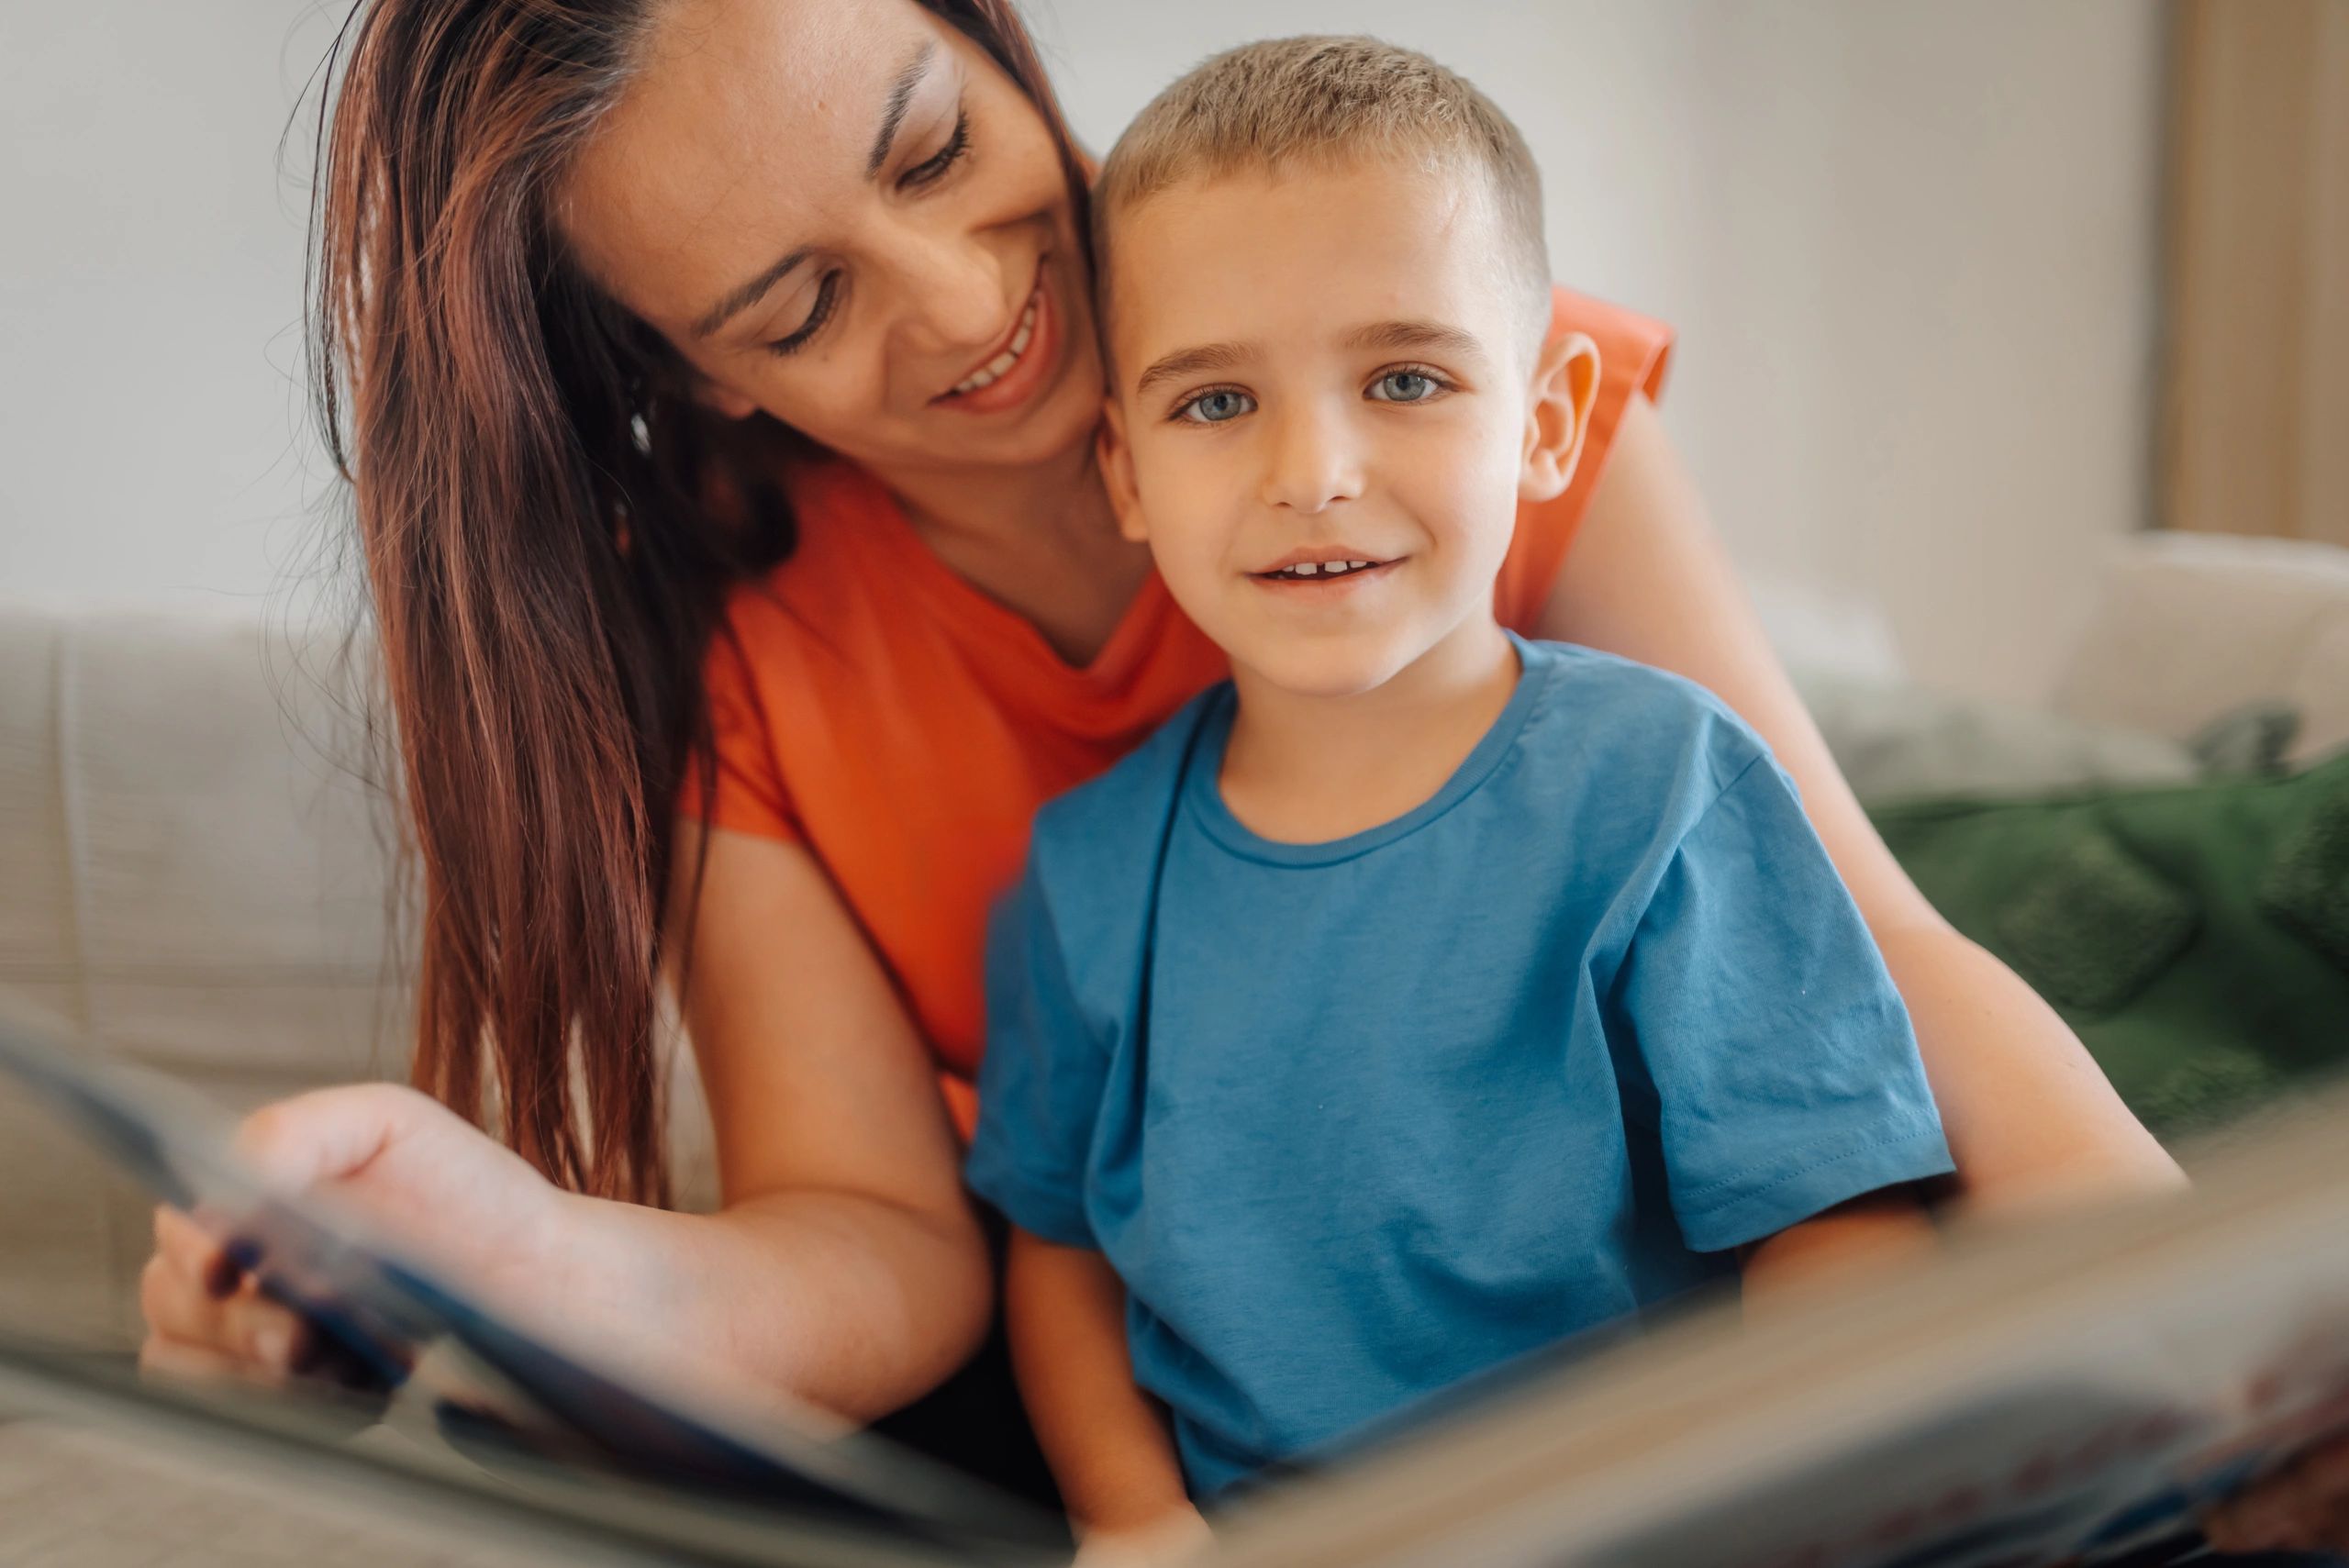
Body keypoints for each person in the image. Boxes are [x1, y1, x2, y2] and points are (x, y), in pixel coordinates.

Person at [139, 0, 2196, 1509]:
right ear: (682, 379)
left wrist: (2224, 1342)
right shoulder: (731, 656)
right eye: (795, 309)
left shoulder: (1443, 373)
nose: (961, 307)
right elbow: (880, 1244)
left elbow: (1857, 951)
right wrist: (487, 1248)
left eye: (933, 145)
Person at [965, 38, 1956, 1549]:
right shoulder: (1086, 876)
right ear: (1123, 471)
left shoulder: (1661, 785)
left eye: (1407, 378)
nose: (1315, 470)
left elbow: (1841, 1211)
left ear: (1551, 420)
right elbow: (1060, 1256)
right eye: (1216, 403)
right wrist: (1130, 1512)